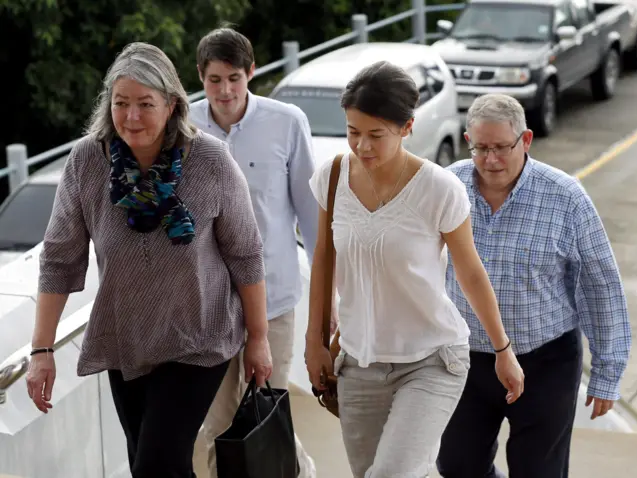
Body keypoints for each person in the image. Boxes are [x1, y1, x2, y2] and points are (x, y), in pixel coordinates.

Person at [25, 42, 272, 478]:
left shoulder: (211, 161)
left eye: (145, 104)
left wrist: (259, 337)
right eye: (121, 103)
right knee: (150, 465)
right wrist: (42, 350)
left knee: (159, 463)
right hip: (128, 341)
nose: (131, 117)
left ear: (173, 104)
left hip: (200, 337)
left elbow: (245, 254)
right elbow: (59, 259)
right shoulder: (87, 162)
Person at [304, 61, 525, 478]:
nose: (362, 146)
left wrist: (502, 350)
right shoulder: (331, 177)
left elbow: (471, 272)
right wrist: (314, 339)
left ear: (406, 128)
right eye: (353, 132)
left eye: (375, 135)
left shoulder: (439, 189)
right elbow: (323, 258)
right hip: (357, 364)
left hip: (431, 360)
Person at [436, 93, 632, 478]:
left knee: (539, 472)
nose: (490, 160)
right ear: (467, 140)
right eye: (480, 148)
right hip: (466, 358)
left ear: (525, 140)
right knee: (457, 465)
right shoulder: (446, 186)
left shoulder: (566, 197)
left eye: (501, 148)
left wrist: (608, 373)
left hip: (546, 361)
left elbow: (600, 284)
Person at [188, 27, 318, 478]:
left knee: (265, 412)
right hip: (207, 305)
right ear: (200, 78)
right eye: (214, 80)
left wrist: (328, 302)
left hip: (275, 297)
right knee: (217, 424)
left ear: (252, 73)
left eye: (234, 78)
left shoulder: (287, 121)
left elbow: (311, 215)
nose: (225, 91)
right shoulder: (181, 125)